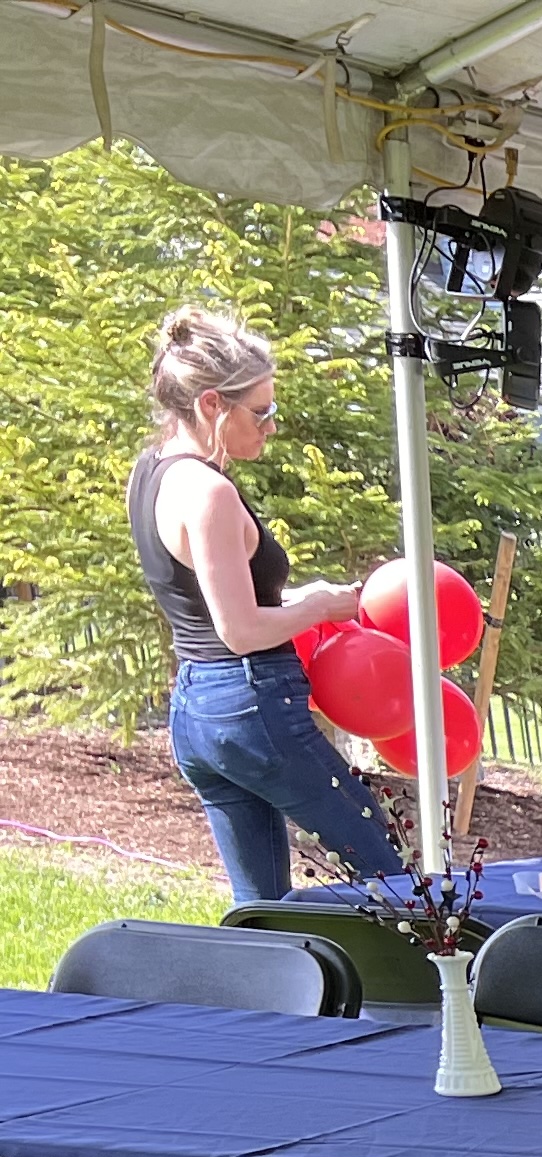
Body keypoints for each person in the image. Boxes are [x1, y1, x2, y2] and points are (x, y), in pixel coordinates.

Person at [130, 305, 405, 906]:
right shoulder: (209, 492)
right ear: (211, 404)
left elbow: (208, 598)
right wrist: (321, 606)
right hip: (250, 702)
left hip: (197, 711)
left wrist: (292, 598)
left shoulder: (151, 472)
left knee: (260, 907)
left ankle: (274, 969)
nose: (271, 425)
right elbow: (240, 630)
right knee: (395, 880)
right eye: (261, 411)